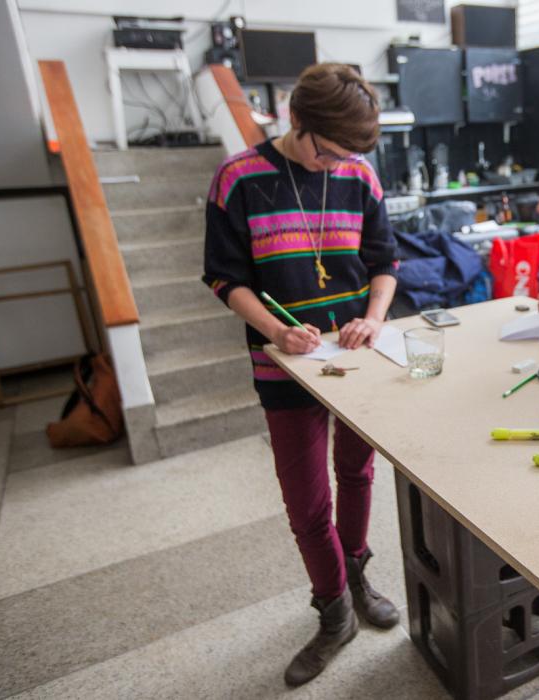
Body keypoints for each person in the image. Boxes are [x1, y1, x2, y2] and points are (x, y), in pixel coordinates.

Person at [202, 63, 400, 686]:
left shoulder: (357, 173)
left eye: (346, 155)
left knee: (358, 473)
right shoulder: (238, 178)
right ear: (296, 121)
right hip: (282, 365)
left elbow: (384, 261)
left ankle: (358, 573)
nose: (335, 164)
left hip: (353, 361)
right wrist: (276, 331)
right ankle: (334, 609)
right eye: (327, 151)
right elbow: (223, 277)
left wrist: (372, 316)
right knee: (307, 500)